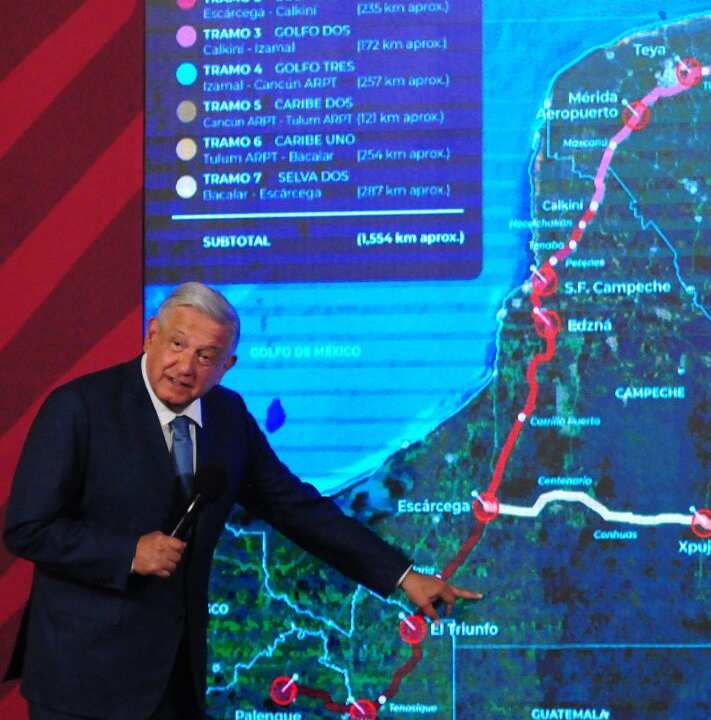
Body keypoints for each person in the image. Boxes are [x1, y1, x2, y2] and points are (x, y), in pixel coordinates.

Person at [3, 281, 480, 719]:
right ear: (151, 335)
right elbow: (28, 528)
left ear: (227, 366)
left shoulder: (228, 416)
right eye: (177, 344)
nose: (186, 366)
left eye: (206, 356)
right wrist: (128, 552)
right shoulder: (80, 408)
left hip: (173, 678)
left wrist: (403, 576)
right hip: (82, 677)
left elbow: (295, 507)